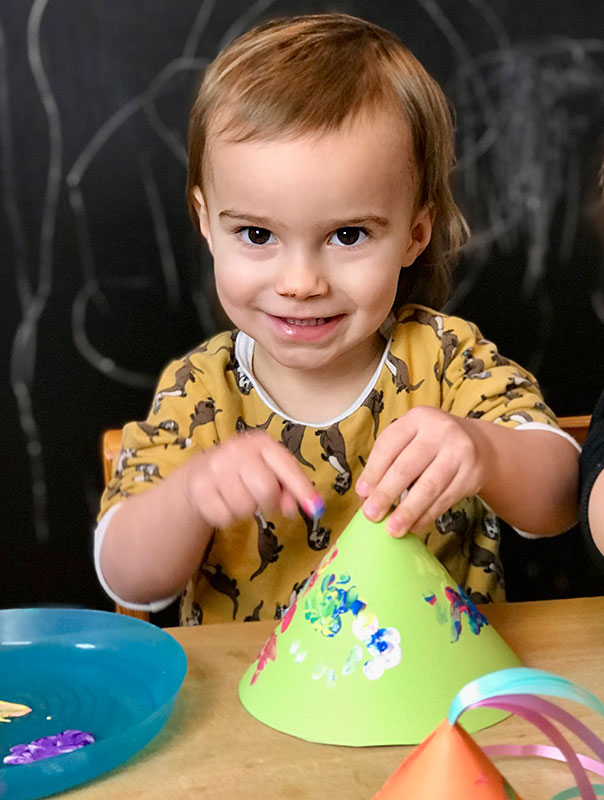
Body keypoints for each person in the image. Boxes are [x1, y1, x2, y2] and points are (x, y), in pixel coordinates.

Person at [96, 13, 579, 625]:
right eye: (256, 233)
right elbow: (126, 577)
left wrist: (485, 451)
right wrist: (191, 497)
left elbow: (564, 496)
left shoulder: (445, 360)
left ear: (414, 235)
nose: (301, 283)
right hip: (251, 710)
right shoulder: (201, 390)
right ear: (205, 223)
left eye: (347, 235)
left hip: (434, 709)